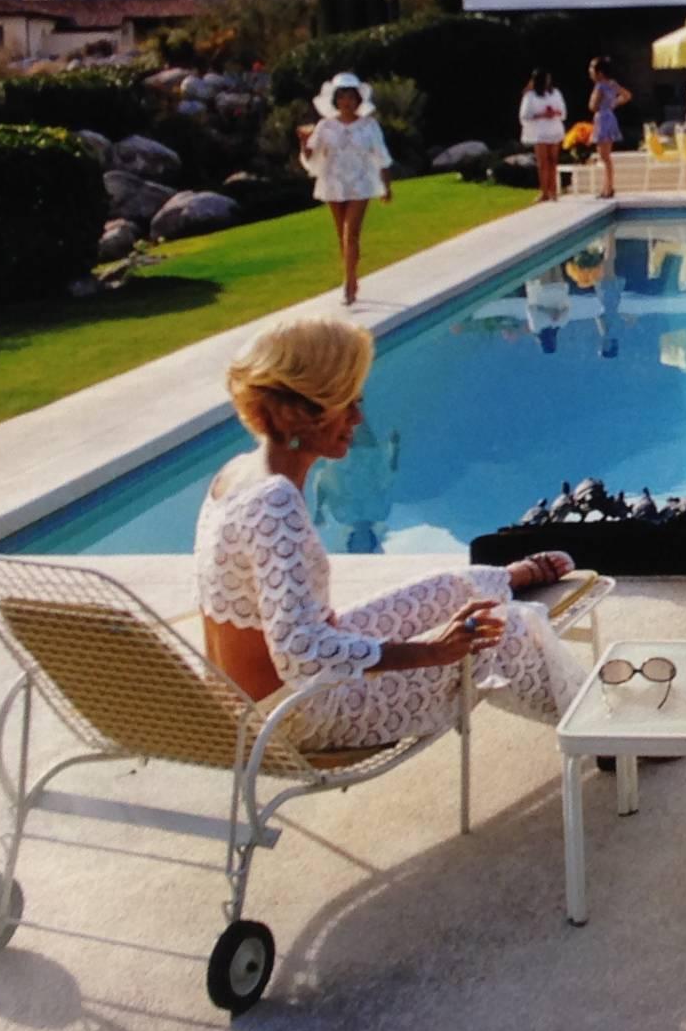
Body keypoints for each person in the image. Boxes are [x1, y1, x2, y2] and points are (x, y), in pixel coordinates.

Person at [198, 314, 576, 744]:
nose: (358, 419)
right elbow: (300, 652)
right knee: (507, 633)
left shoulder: (236, 474)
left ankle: (503, 578)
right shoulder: (275, 501)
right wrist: (431, 652)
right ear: (294, 413)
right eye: (347, 402)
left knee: (450, 588)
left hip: (250, 699)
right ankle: (607, 732)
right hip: (299, 713)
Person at [304, 70, 392, 305]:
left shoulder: (369, 125)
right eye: (342, 97)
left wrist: (386, 185)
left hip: (360, 183)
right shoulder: (325, 126)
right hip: (333, 183)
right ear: (336, 100)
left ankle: (349, 284)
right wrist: (304, 143)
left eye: (351, 97)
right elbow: (311, 155)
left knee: (350, 233)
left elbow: (381, 154)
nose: (346, 102)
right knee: (341, 234)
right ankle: (351, 277)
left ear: (358, 100)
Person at [518, 68, 570, 202]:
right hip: (540, 132)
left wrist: (555, 113)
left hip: (554, 130)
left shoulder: (555, 93)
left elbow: (563, 111)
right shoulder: (530, 96)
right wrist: (542, 114)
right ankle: (544, 192)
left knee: (553, 160)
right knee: (543, 162)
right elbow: (525, 115)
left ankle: (553, 191)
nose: (548, 81)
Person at [585, 56, 632, 196]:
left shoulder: (600, 86)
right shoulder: (612, 84)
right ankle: (607, 187)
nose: (590, 72)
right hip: (610, 116)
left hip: (602, 118)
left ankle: (608, 187)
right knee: (606, 156)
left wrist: (607, 103)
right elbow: (627, 95)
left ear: (599, 73)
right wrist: (614, 103)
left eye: (592, 69)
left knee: (604, 156)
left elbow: (593, 106)